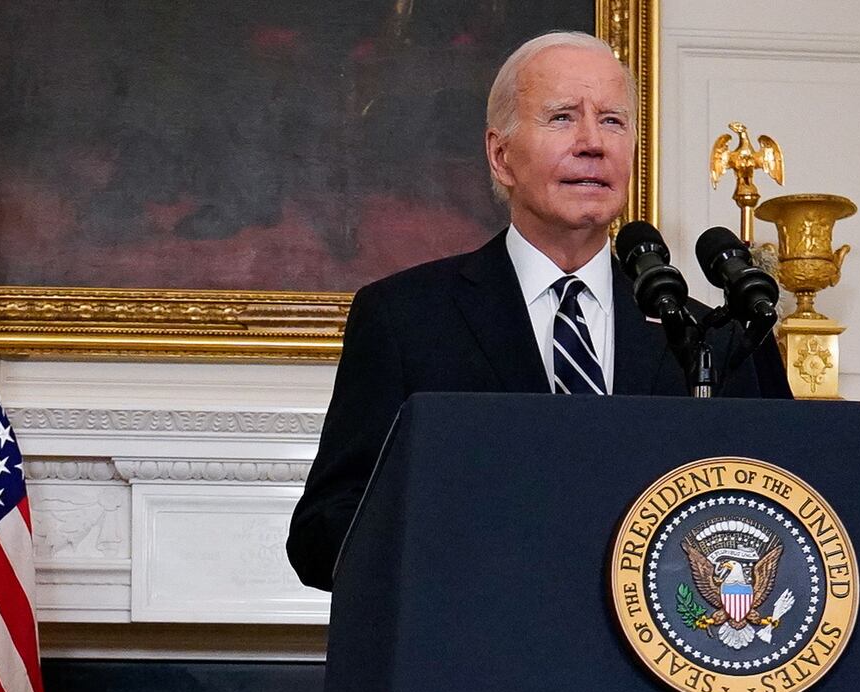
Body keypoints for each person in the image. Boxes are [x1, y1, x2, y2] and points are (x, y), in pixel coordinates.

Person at [288, 32, 791, 592]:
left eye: (612, 121)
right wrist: (472, 546)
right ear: (501, 156)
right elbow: (322, 533)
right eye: (561, 118)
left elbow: (785, 515)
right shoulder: (405, 319)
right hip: (482, 633)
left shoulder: (711, 339)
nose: (592, 143)